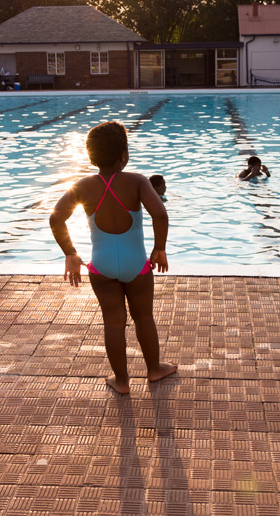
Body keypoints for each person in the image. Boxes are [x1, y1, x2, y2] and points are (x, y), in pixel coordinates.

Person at [49, 121, 175, 394]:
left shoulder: (82, 186)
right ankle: (154, 370)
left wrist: (70, 253)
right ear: (124, 155)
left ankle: (121, 381)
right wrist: (159, 248)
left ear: (91, 156)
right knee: (144, 318)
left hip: (102, 267)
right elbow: (160, 214)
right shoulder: (138, 181)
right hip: (136, 265)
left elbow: (56, 218)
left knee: (113, 322)